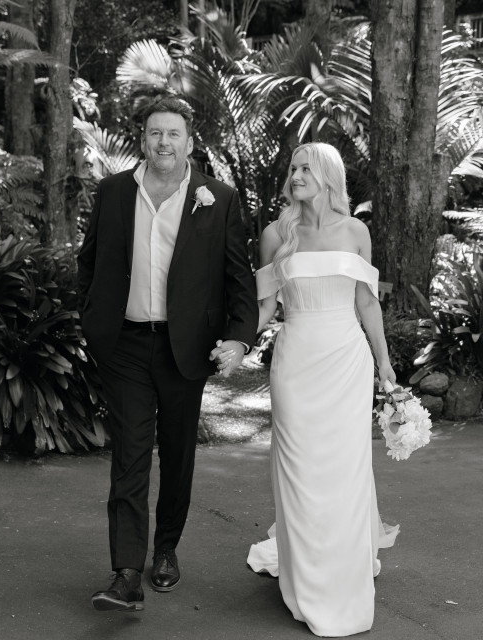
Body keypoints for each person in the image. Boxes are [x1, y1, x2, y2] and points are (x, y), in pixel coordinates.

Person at [77, 96, 258, 612]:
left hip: (186, 348)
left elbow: (238, 277)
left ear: (189, 142)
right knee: (129, 455)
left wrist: (239, 338)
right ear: (143, 139)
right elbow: (89, 262)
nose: (163, 142)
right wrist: (92, 319)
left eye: (173, 133)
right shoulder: (114, 192)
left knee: (178, 455)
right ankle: (126, 573)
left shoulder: (217, 198)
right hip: (126, 345)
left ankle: (166, 550)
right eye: (155, 132)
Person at [241, 143, 399, 636]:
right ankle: (306, 580)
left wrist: (385, 365)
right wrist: (235, 343)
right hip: (295, 361)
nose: (296, 175)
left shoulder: (356, 232)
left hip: (346, 361)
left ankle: (344, 573)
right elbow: (266, 307)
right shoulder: (275, 234)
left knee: (345, 470)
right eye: (293, 168)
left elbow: (367, 303)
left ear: (329, 176)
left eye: (306, 168)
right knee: (299, 469)